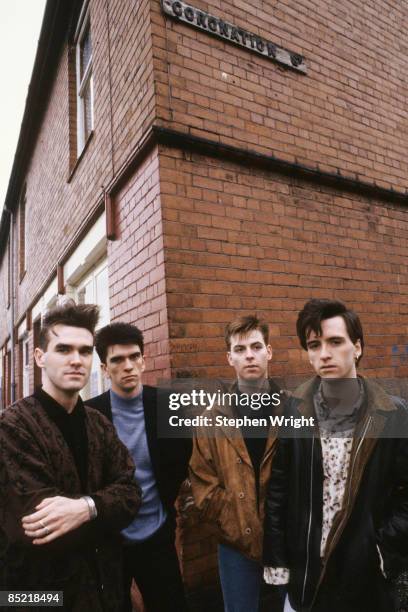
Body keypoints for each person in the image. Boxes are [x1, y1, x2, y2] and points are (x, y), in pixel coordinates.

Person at [263, 298, 408, 612]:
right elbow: (278, 488)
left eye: (335, 341)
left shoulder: (391, 413)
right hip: (306, 574)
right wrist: (278, 560)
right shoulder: (294, 408)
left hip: (363, 572)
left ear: (357, 347)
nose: (324, 353)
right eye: (314, 345)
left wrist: (383, 547)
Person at [0, 303, 141, 611]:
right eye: (63, 349)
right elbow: (39, 527)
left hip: (107, 591)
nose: (77, 360)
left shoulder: (99, 424)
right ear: (40, 357)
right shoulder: (12, 427)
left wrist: (86, 508)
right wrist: (106, 510)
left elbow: (131, 494)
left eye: (85, 351)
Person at [87, 322, 191, 612]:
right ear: (105, 369)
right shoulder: (90, 415)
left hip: (156, 535)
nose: (128, 366)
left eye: (134, 357)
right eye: (117, 360)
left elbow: (181, 462)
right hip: (110, 542)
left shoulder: (169, 405)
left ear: (144, 361)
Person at [189, 315, 283, 612]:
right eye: (240, 350)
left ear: (269, 351)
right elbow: (202, 484)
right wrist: (237, 524)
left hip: (286, 539)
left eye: (256, 347)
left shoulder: (296, 408)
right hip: (235, 543)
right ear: (229, 357)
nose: (249, 355)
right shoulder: (210, 419)